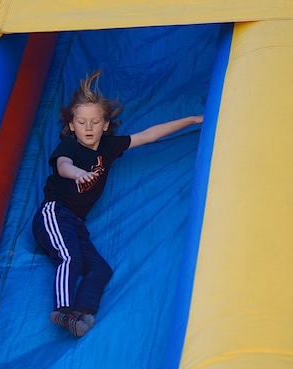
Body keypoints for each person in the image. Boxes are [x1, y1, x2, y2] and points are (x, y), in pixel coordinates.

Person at [33, 69, 203, 338]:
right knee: (70, 258)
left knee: (101, 269)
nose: (88, 127)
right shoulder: (69, 148)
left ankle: (81, 313)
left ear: (105, 126)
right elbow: (63, 166)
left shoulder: (109, 147)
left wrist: (193, 119)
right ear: (72, 127)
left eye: (94, 122)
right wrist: (78, 173)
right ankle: (62, 310)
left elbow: (149, 135)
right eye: (82, 122)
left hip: (75, 222)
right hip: (55, 214)